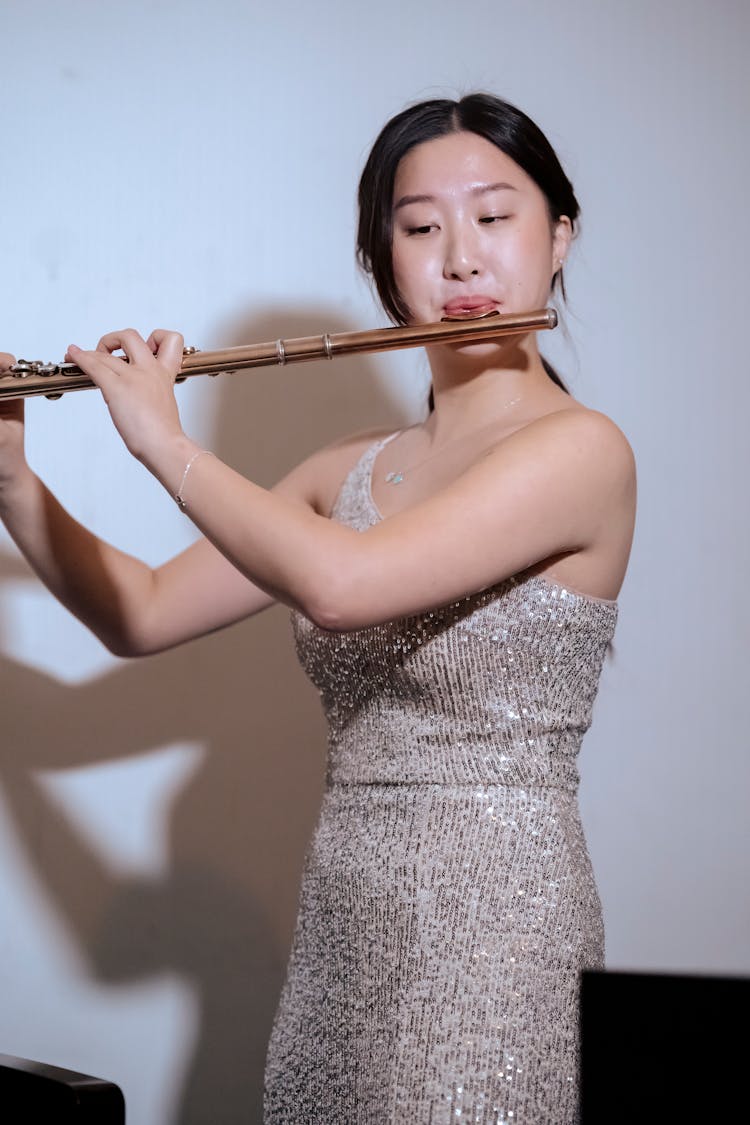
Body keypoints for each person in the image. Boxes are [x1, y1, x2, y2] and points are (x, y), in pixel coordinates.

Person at [0, 92, 636, 1123]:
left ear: (560, 235)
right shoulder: (345, 471)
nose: (462, 260)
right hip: (346, 930)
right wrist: (15, 483)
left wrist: (166, 444)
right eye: (421, 227)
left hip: (497, 940)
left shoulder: (580, 451)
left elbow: (341, 589)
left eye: (496, 216)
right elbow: (145, 612)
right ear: (381, 261)